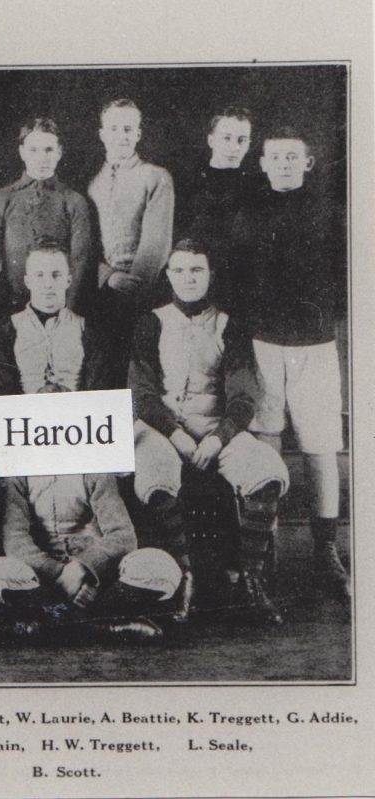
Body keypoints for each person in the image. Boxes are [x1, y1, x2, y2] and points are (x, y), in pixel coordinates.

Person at [129, 239, 290, 622]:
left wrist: (220, 436)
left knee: (268, 472)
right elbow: (142, 392)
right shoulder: (151, 322)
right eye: (180, 270)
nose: (188, 278)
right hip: (163, 429)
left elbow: (243, 395)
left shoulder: (229, 325)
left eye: (197, 269)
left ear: (210, 274)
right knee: (152, 477)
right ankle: (187, 576)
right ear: (168, 275)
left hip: (219, 428)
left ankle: (252, 580)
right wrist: (176, 433)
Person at [231, 127, 349, 600]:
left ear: (308, 163)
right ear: (262, 163)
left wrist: (316, 317)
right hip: (264, 342)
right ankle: (269, 546)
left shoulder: (331, 214)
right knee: (267, 440)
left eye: (292, 156)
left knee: (321, 446)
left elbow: (349, 278)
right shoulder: (247, 215)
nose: (283, 164)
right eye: (275, 157)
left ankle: (326, 550)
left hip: (315, 345)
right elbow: (238, 281)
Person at [0, 473, 180, 643]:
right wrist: (58, 573)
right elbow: (15, 540)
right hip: (45, 583)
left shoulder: (96, 468)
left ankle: (59, 625)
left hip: (98, 581)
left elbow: (122, 536)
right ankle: (102, 626)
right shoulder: (19, 472)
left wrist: (83, 568)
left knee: (161, 567)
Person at [87, 99, 174, 388]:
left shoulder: (155, 176)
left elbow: (156, 244)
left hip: (143, 295)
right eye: (114, 128)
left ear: (138, 133)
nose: (121, 135)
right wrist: (107, 277)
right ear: (102, 133)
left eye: (128, 129)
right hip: (102, 292)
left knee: (139, 372)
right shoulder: (92, 183)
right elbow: (87, 242)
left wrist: (132, 286)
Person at [0, 118, 92, 320]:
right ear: (22, 152)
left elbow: (79, 264)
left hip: (62, 310)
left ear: (59, 152)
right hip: (13, 309)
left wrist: (66, 313)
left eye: (49, 150)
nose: (42, 158)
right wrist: (6, 313)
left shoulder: (73, 201)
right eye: (34, 150)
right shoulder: (2, 199)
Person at [0, 237, 102, 396]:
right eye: (39, 275)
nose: (48, 284)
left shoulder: (86, 328)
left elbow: (99, 395)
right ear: (28, 281)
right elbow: (2, 395)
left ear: (68, 280)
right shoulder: (7, 329)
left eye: (56, 275)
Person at [180, 106, 257, 312]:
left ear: (249, 144)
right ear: (211, 140)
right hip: (194, 286)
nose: (234, 147)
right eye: (227, 138)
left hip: (241, 289)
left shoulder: (257, 188)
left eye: (242, 140)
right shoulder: (188, 184)